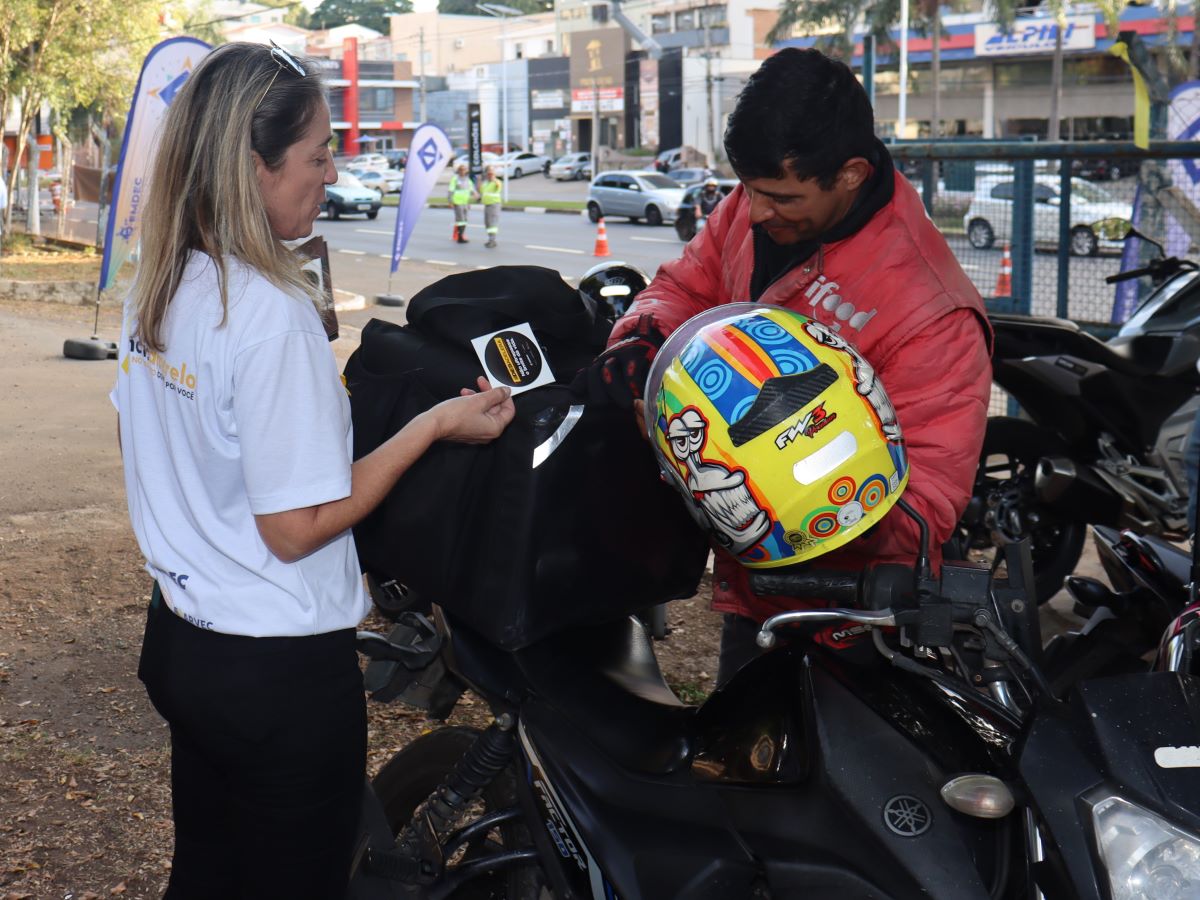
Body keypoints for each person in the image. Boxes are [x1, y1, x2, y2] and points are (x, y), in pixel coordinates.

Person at [110, 42, 514, 899]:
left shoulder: (164, 279)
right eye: (317, 155)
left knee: (209, 873)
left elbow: (161, 447)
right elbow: (295, 530)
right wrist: (433, 426)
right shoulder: (268, 314)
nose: (332, 174)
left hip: (184, 644)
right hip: (275, 675)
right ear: (253, 167)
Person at [585, 47, 992, 685]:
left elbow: (923, 512)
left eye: (779, 196)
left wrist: (773, 487)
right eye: (747, 189)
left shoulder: (931, 312)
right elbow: (684, 288)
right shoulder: (758, 207)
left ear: (851, 175)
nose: (753, 212)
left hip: (854, 621)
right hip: (757, 598)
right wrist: (643, 345)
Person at [448, 161, 478, 243]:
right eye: (461, 169)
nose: (462, 171)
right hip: (457, 202)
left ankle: (461, 235)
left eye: (464, 169)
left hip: (465, 202)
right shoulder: (455, 179)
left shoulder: (467, 180)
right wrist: (450, 201)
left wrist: (476, 195)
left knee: (465, 219)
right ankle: (460, 237)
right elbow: (450, 190)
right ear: (458, 171)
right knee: (460, 219)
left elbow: (472, 189)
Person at [480, 164, 502, 248]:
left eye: (492, 172)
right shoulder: (485, 183)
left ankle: (492, 241)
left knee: (492, 223)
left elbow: (498, 186)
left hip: (494, 205)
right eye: (488, 172)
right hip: (487, 205)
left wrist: (493, 178)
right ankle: (490, 239)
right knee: (487, 223)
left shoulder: (496, 181)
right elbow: (481, 191)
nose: (490, 174)